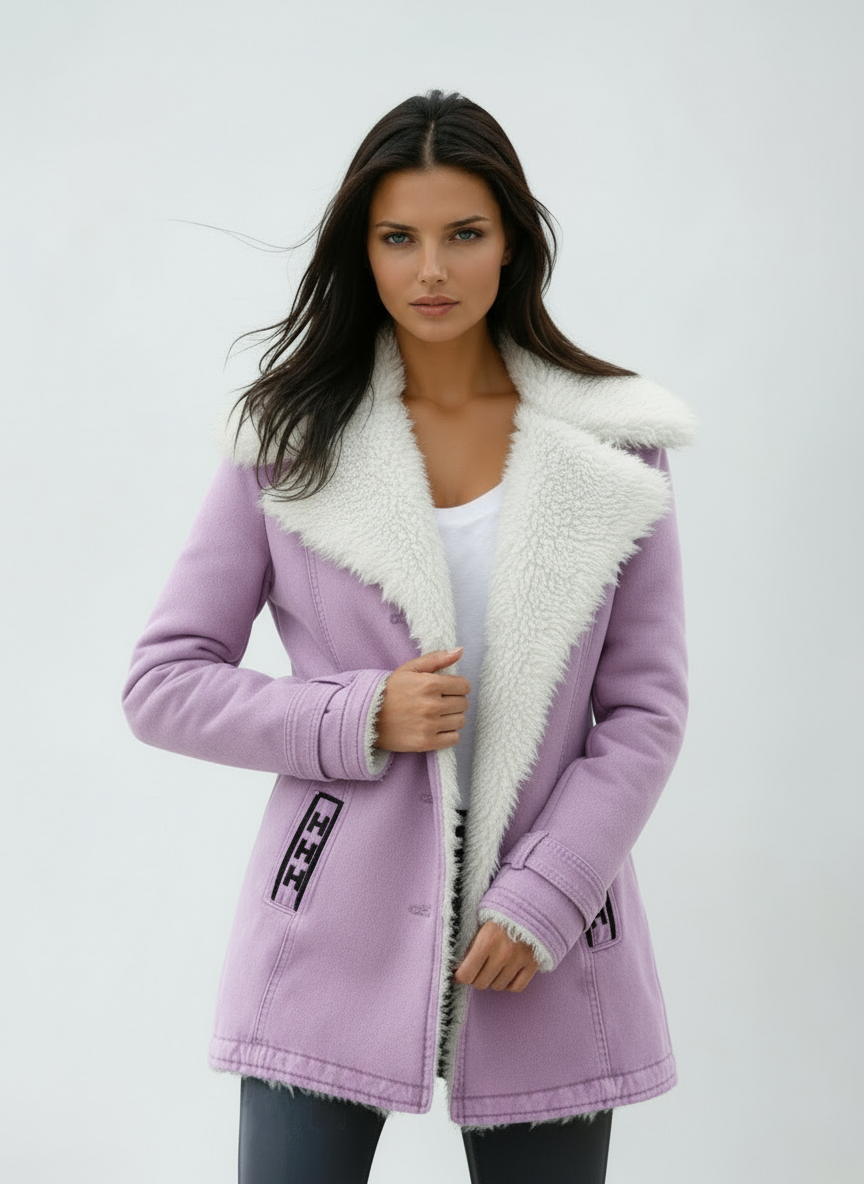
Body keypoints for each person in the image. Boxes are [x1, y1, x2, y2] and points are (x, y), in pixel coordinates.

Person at [122, 89, 696, 1183]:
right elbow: (163, 681)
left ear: (512, 242)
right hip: (326, 931)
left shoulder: (615, 447)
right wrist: (357, 714)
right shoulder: (289, 442)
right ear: (365, 248)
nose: (431, 269)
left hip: (546, 934)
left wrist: (551, 895)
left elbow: (646, 711)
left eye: (463, 233)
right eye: (399, 237)